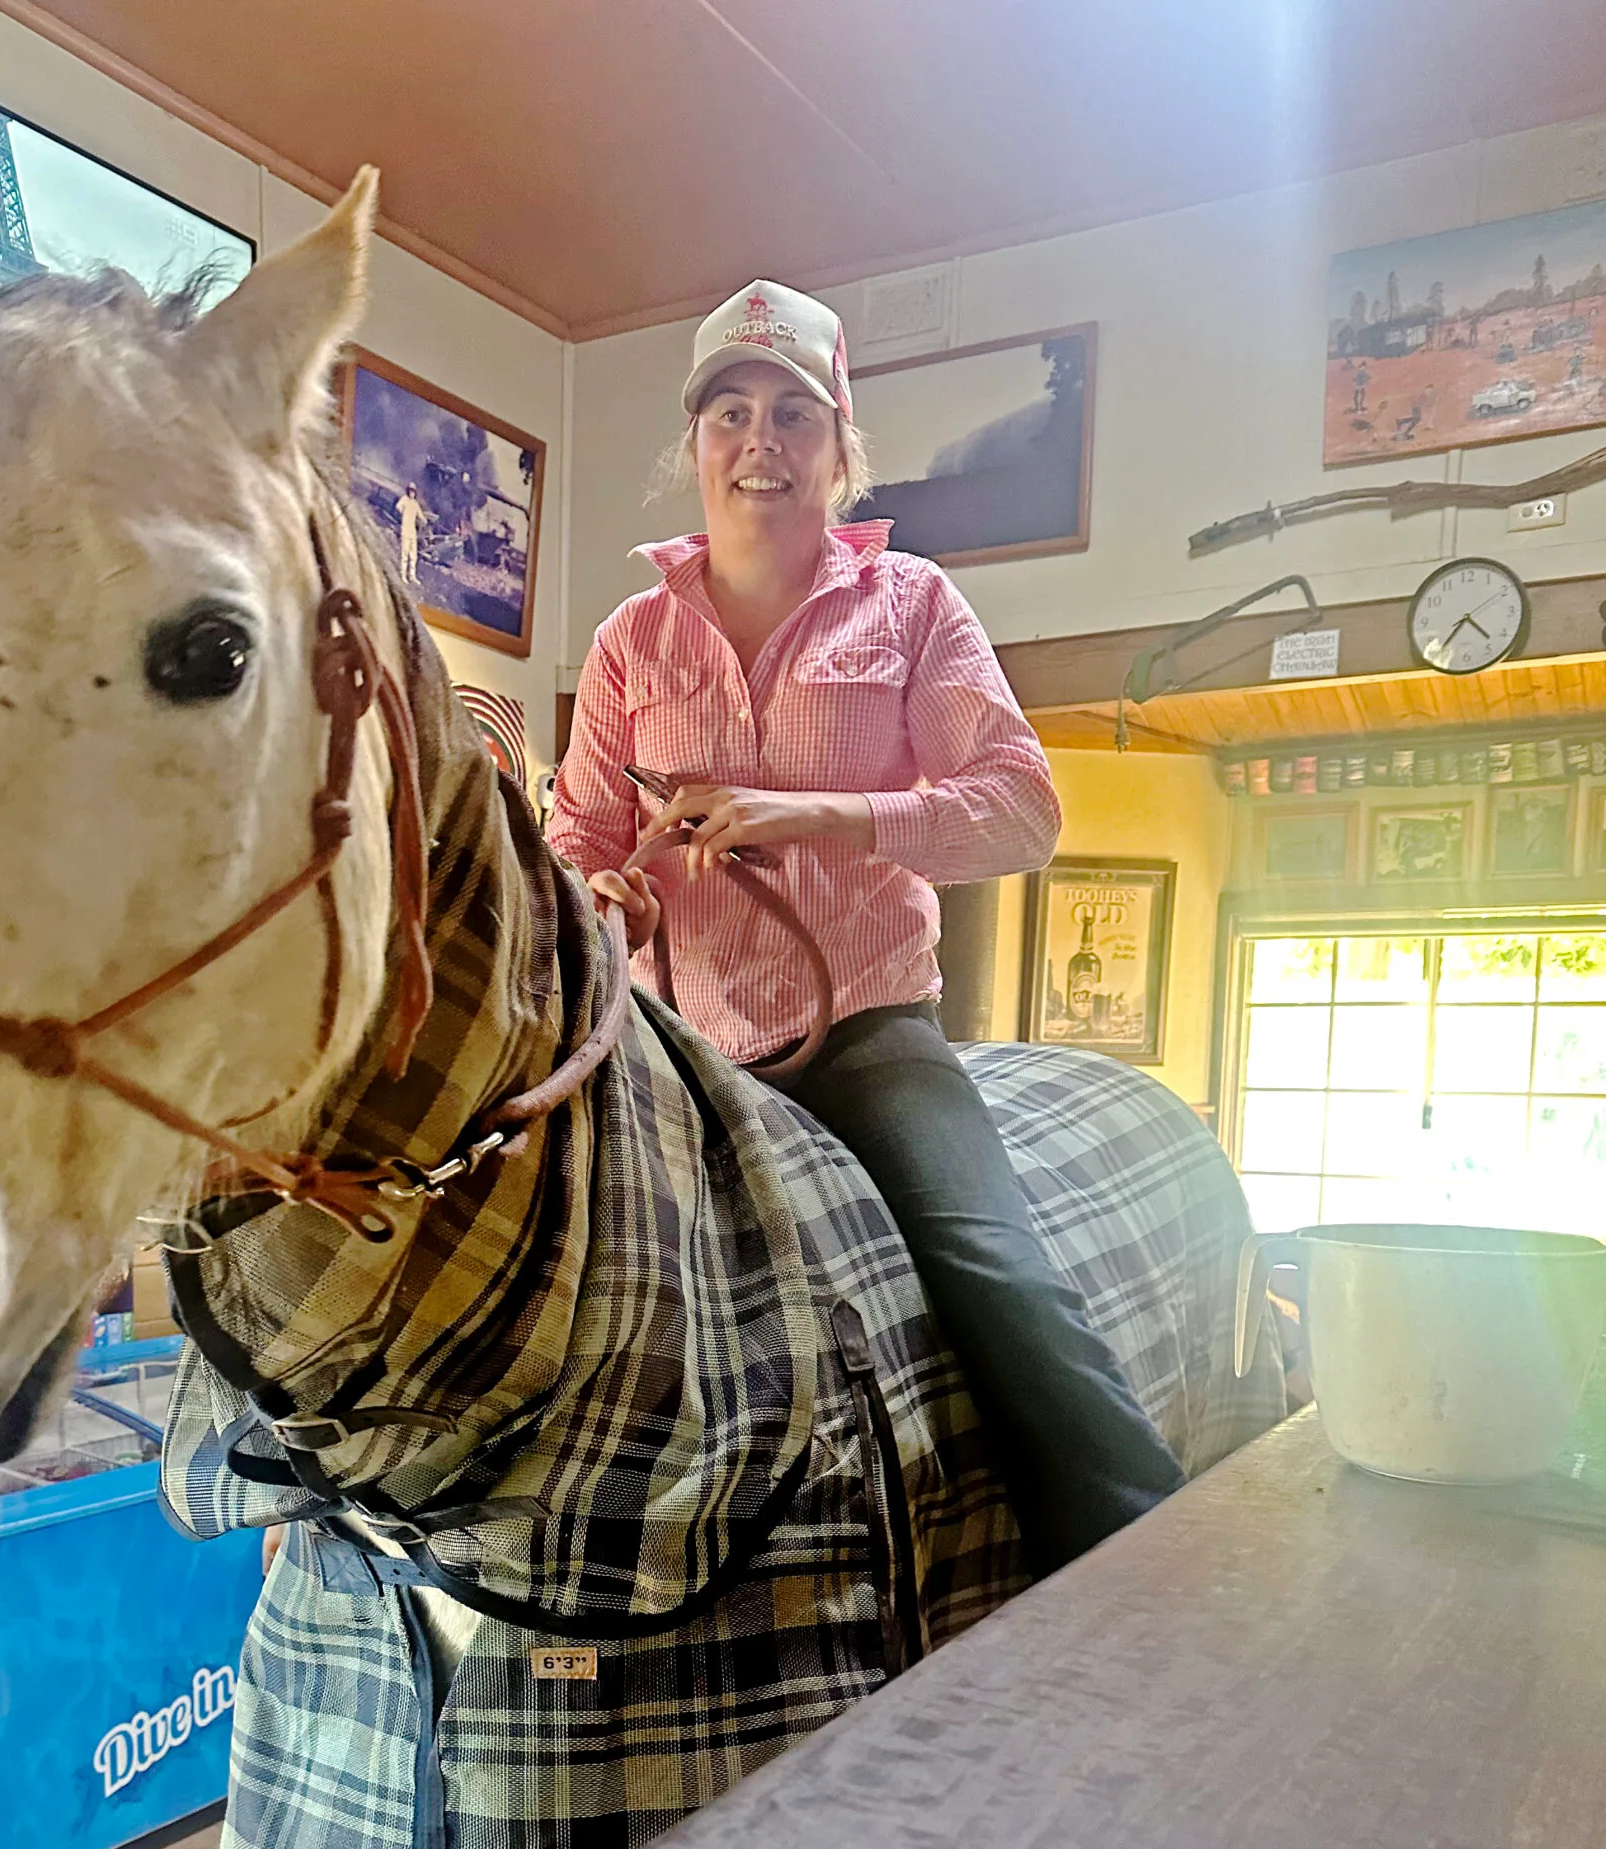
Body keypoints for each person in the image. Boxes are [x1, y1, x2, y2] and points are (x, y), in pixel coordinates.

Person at [547, 278, 1185, 1575]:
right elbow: (573, 841)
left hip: (869, 1040)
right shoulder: (628, 643)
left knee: (994, 1273)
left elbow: (1017, 816)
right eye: (729, 413)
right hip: (679, 1056)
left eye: (793, 413)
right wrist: (599, 893)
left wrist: (822, 815)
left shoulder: (915, 609)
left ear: (841, 452)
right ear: (697, 450)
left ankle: (1147, 1580)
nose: (760, 441)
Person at [396, 481, 428, 584]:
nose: (411, 493)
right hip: (405, 531)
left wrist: (424, 520)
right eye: (410, 491)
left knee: (413, 556)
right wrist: (401, 512)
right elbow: (398, 507)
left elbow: (421, 516)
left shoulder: (415, 504)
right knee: (404, 555)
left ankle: (412, 576)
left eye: (413, 491)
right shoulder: (404, 500)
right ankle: (403, 574)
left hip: (412, 533)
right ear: (407, 491)